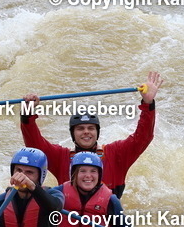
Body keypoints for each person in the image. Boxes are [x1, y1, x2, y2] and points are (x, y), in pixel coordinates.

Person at [20, 70, 163, 198]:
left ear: (97, 132)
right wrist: (27, 113)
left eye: (91, 128)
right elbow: (35, 144)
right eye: (80, 128)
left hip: (106, 217)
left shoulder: (116, 154)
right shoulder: (60, 157)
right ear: (73, 134)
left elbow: (143, 137)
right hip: (70, 217)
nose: (86, 132)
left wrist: (148, 103)